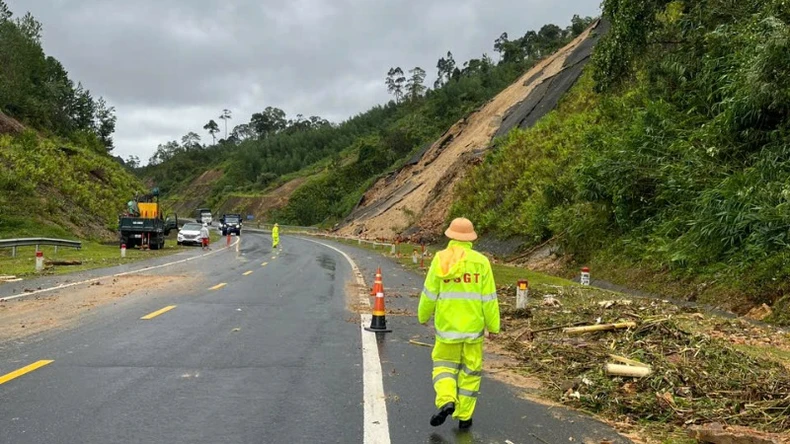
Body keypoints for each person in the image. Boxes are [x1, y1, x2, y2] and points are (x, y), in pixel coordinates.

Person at [417, 217, 500, 430]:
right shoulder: (481, 262)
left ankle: (446, 400)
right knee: (470, 373)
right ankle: (464, 416)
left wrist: (423, 315)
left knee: (443, 367)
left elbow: (429, 293)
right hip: (473, 331)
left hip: (447, 330)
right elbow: (489, 299)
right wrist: (494, 326)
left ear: (450, 236)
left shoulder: (440, 259)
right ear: (471, 238)